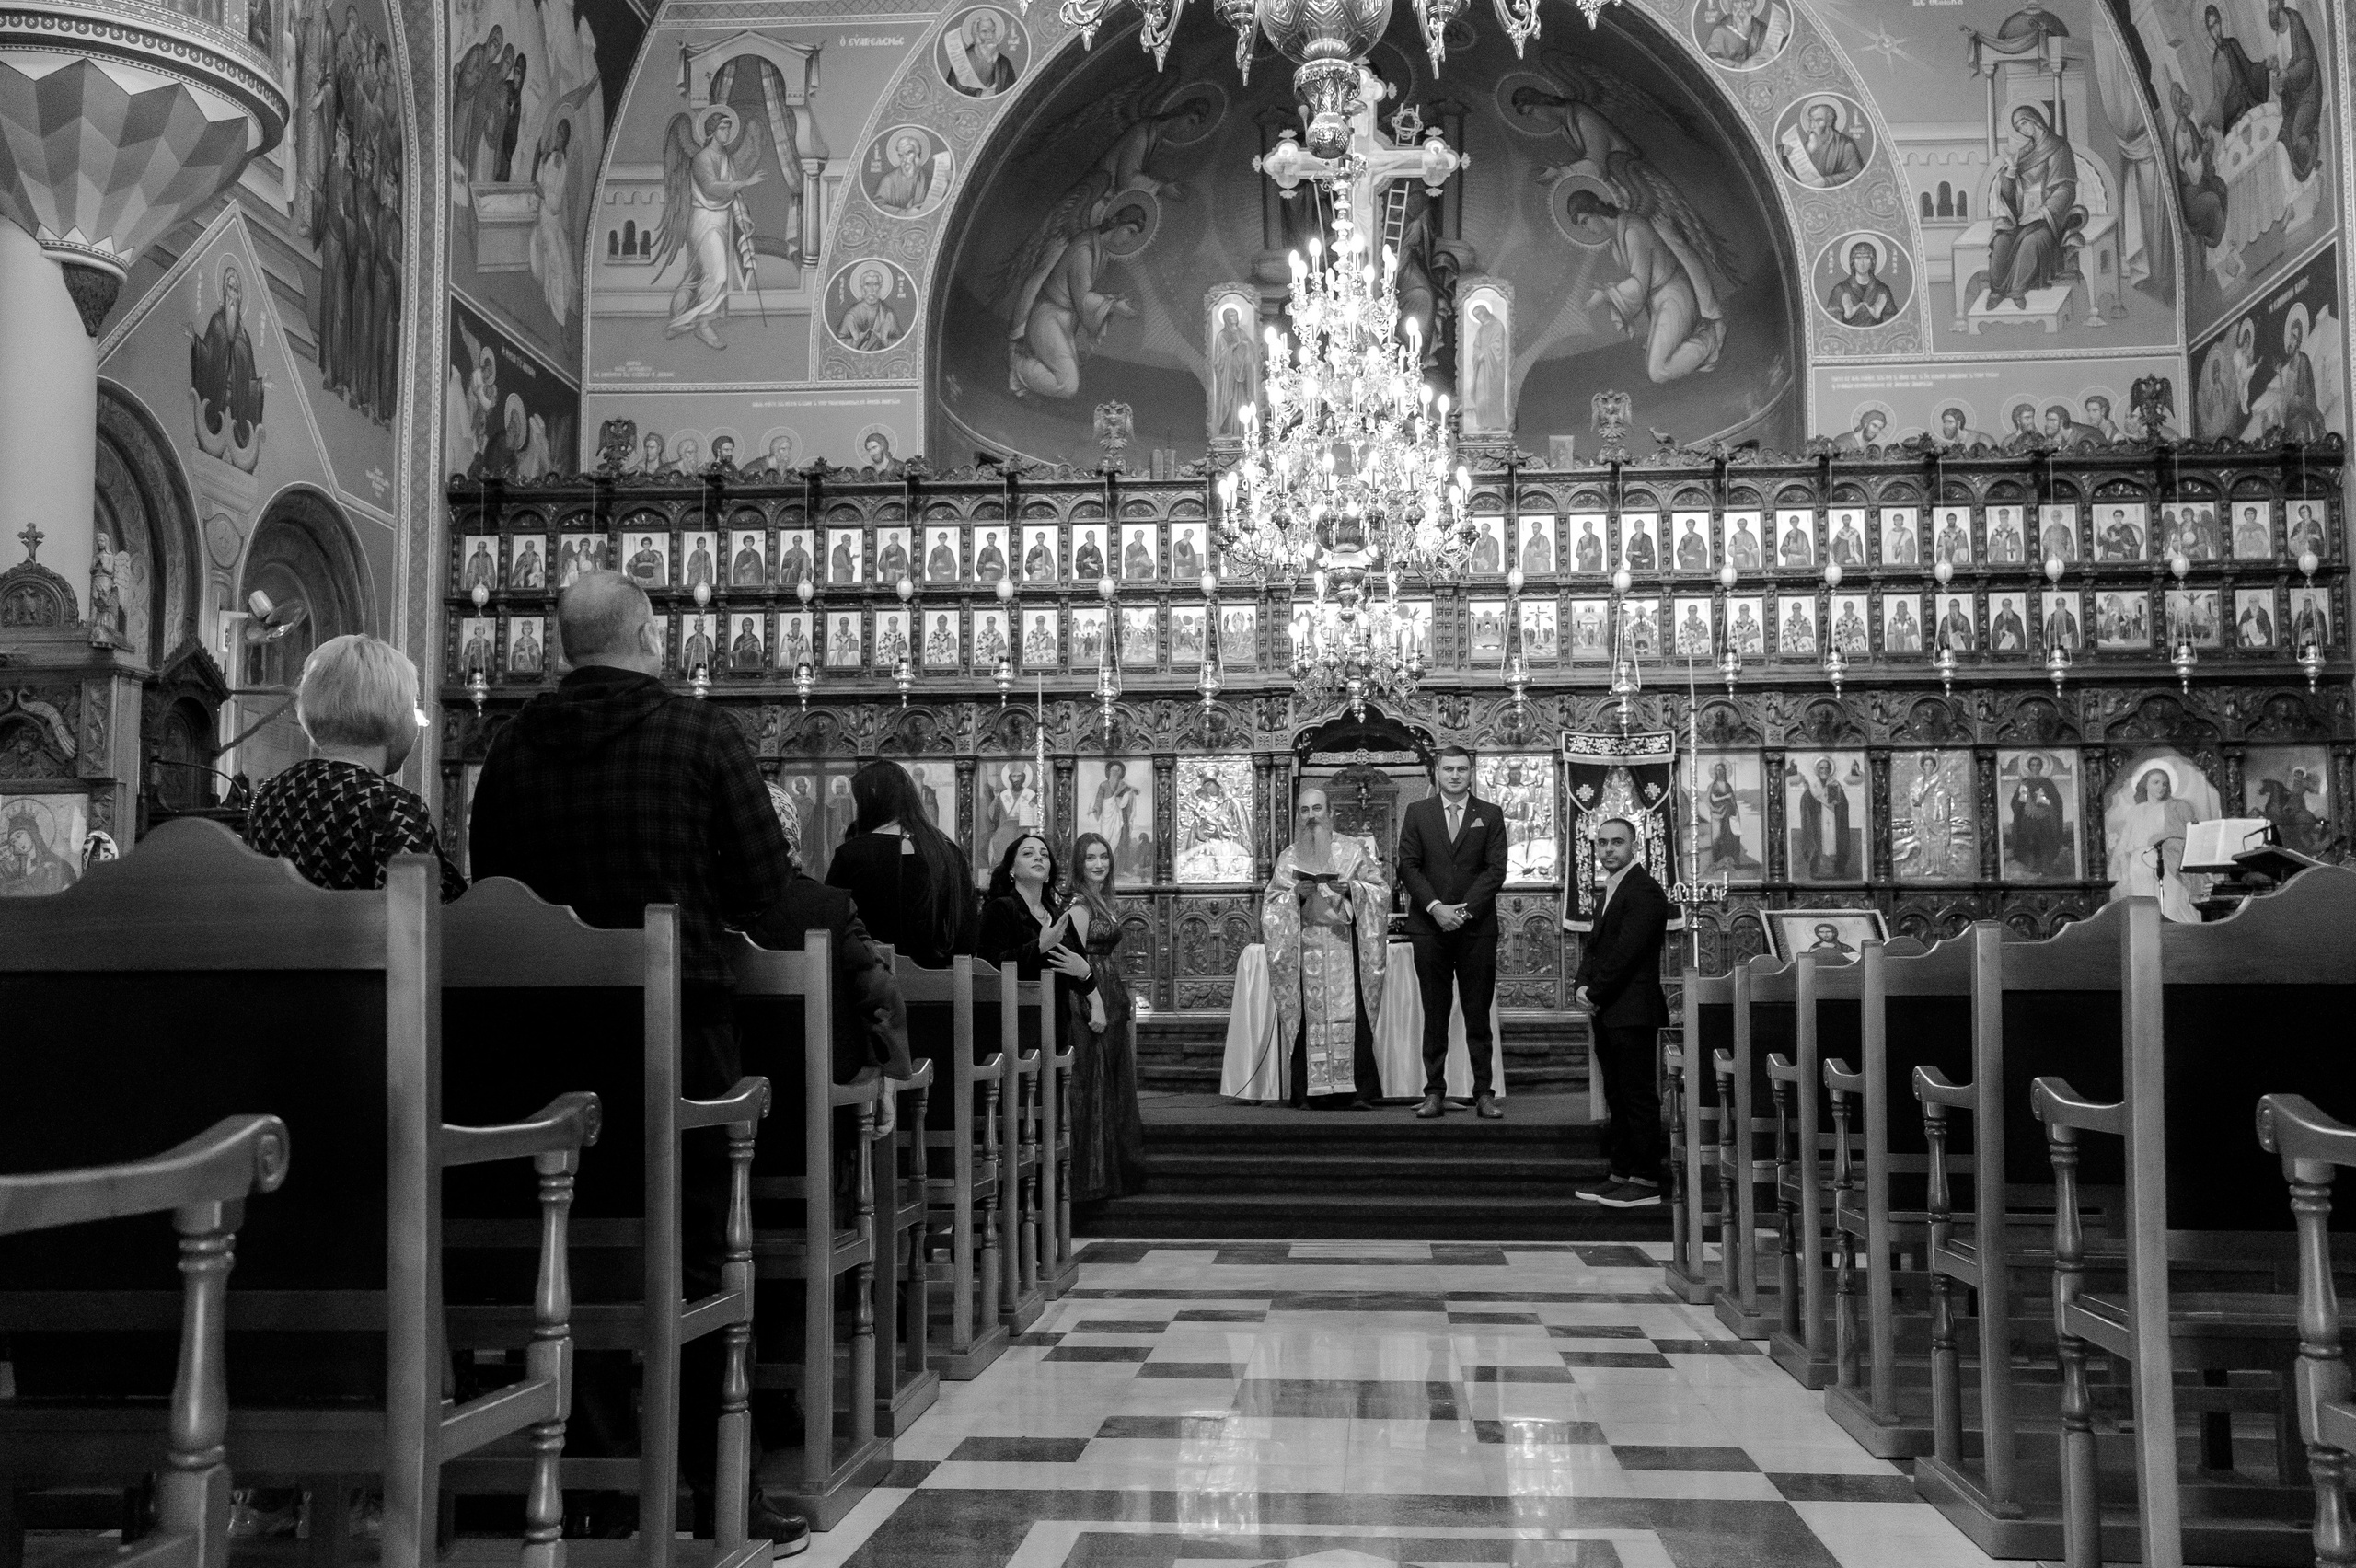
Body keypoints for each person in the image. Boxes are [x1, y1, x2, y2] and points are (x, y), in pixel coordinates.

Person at [464, 571, 806, 1551]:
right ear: (651, 637)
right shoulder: (702, 738)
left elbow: (495, 891)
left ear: (563, 646)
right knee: (693, 1259)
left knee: (573, 1253)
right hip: (677, 1043)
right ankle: (710, 1488)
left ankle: (591, 1475)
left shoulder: (511, 746)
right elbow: (759, 886)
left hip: (538, 1055)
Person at [246, 634, 465, 903]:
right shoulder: (391, 807)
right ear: (394, 717)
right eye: (413, 708)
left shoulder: (272, 795)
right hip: (362, 946)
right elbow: (417, 923)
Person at [745, 814, 915, 1089]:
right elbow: (878, 990)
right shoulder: (827, 906)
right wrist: (891, 1075)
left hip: (730, 1075)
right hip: (818, 1078)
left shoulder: (706, 905)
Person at [1395, 746, 1508, 1119]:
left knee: (1478, 1014)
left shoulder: (1489, 814)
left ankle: (1483, 1093)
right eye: (1448, 769)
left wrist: (1463, 911)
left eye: (1462, 769)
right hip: (1430, 927)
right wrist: (1436, 908)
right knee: (1435, 1013)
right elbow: (1408, 867)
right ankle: (1434, 1092)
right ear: (1436, 772)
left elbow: (1495, 870)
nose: (1455, 775)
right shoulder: (1418, 813)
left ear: (1471, 772)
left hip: (1476, 929)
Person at [1261, 787, 1387, 1109]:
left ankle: (1356, 1091)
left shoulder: (1353, 851)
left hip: (1345, 949)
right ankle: (1308, 1093)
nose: (1311, 816)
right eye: (1304, 810)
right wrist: (1296, 896)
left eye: (1317, 809)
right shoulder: (1289, 857)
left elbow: (1380, 892)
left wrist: (1352, 889)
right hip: (1306, 953)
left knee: (1351, 1014)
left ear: (1330, 813)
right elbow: (1272, 904)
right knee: (1308, 1019)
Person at [1569, 816, 1669, 1208]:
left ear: (1634, 847)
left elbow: (1627, 953)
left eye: (1617, 842)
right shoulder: (1611, 890)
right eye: (1603, 843)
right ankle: (1621, 1173)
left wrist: (1594, 990)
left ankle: (1646, 1180)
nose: (1609, 850)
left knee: (1637, 1096)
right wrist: (1581, 984)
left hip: (1632, 1009)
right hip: (1610, 1008)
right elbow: (1594, 949)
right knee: (1617, 1094)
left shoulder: (1643, 890)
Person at [825, 759, 977, 968]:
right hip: (943, 986)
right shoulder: (949, 852)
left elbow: (832, 927)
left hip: (871, 988)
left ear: (872, 797)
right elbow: (967, 938)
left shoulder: (852, 854)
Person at [977, 833, 1105, 1073]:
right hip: (1015, 1024)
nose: (1038, 857)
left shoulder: (1056, 914)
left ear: (1049, 873)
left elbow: (1078, 964)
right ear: (1012, 870)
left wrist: (1085, 973)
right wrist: (1038, 947)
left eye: (1044, 855)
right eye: (1028, 854)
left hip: (1056, 1022)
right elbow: (989, 966)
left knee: (1053, 1096)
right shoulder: (1001, 909)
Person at [1066, 832, 1147, 1197]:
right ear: (1078, 865)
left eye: (1103, 857)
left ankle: (1112, 1171)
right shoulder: (1079, 905)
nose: (1098, 864)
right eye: (1090, 859)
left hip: (1109, 992)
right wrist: (1094, 1001)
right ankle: (1091, 1179)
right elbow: (1075, 960)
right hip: (1090, 995)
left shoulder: (1100, 899)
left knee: (1111, 1082)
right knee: (1094, 1082)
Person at [2109, 766, 2202, 920]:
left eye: (2165, 783)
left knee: (2172, 910)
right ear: (2145, 784)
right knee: (2145, 915)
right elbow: (2124, 843)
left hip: (2166, 865)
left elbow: (2191, 837)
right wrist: (2118, 869)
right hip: (2139, 868)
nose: (2161, 787)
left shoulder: (2176, 807)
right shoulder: (2135, 811)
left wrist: (2162, 838)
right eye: (2156, 782)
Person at [2007, 754, 2070, 876]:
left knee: (2045, 843)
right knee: (2029, 842)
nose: (2035, 767)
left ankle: (2045, 867)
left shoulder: (2047, 783)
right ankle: (2030, 867)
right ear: (2029, 767)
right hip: (2028, 819)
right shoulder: (2024, 783)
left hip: (2044, 820)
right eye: (2033, 765)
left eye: (2037, 765)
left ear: (2041, 767)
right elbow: (2015, 804)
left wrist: (2044, 800)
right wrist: (2023, 796)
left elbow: (2057, 803)